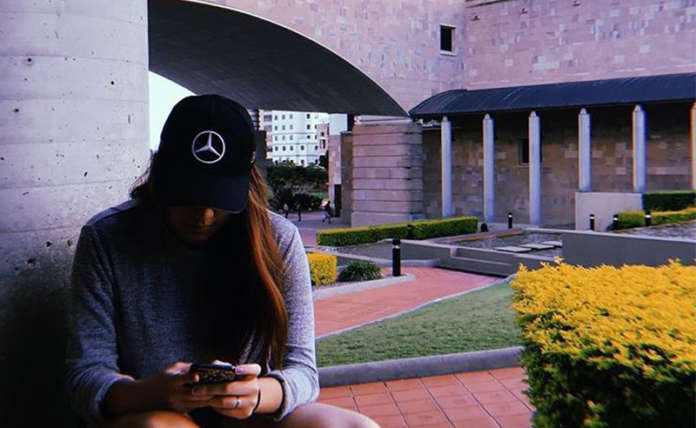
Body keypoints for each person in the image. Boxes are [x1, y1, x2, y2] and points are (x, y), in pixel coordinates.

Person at [64, 95, 378, 428]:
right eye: (187, 196)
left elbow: (302, 371)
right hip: (153, 413)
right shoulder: (107, 237)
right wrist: (155, 392)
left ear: (247, 184)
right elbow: (85, 375)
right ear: (160, 175)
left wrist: (256, 394)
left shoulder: (278, 239)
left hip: (250, 416)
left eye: (218, 199)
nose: (204, 215)